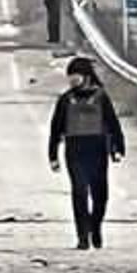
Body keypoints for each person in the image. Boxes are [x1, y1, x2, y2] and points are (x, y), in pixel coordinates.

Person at [48, 57, 125, 250]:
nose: (72, 79)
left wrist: (118, 148)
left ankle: (95, 226)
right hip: (75, 150)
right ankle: (82, 236)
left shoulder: (100, 97)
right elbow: (55, 129)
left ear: (86, 76)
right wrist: (53, 155)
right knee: (79, 192)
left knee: (100, 195)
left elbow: (112, 124)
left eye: (76, 75)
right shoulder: (65, 100)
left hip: (97, 149)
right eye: (70, 76)